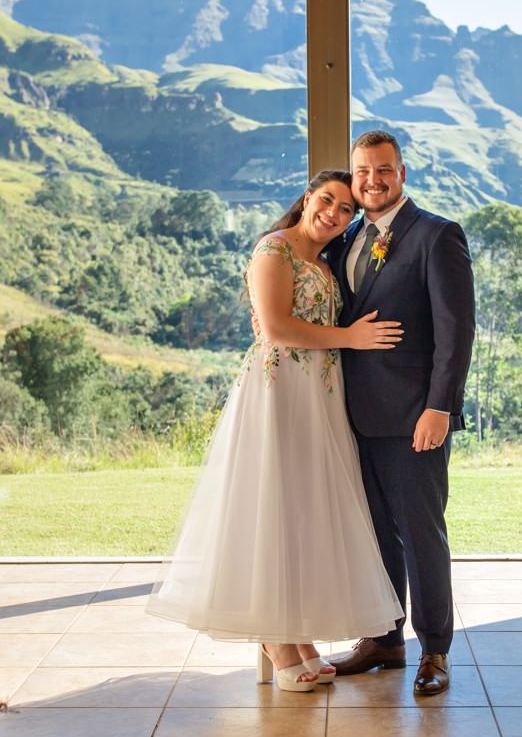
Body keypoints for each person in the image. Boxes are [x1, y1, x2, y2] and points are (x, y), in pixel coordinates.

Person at [147, 169, 406, 691]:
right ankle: (274, 639)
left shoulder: (322, 262)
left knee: (301, 510)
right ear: (308, 198)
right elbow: (275, 326)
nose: (334, 213)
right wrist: (352, 339)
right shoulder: (275, 250)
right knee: (271, 504)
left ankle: (297, 637)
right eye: (327, 200)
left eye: (345, 210)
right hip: (278, 391)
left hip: (318, 395)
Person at [324, 130, 476, 696]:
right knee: (375, 535)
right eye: (363, 172)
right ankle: (385, 640)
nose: (372, 181)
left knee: (421, 534)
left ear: (402, 173)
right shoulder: (347, 240)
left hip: (415, 418)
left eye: (382, 170)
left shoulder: (437, 236)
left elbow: (456, 333)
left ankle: (434, 649)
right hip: (352, 417)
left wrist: (440, 406)